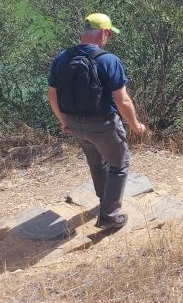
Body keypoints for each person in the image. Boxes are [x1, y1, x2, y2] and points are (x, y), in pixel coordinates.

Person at [47, 13, 146, 230]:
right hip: (103, 126)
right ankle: (109, 215)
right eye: (109, 33)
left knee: (96, 162)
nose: (109, 38)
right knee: (119, 165)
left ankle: (104, 200)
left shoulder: (62, 58)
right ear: (103, 33)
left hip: (74, 123)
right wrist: (135, 125)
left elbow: (52, 94)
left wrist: (63, 121)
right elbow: (123, 100)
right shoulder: (109, 60)